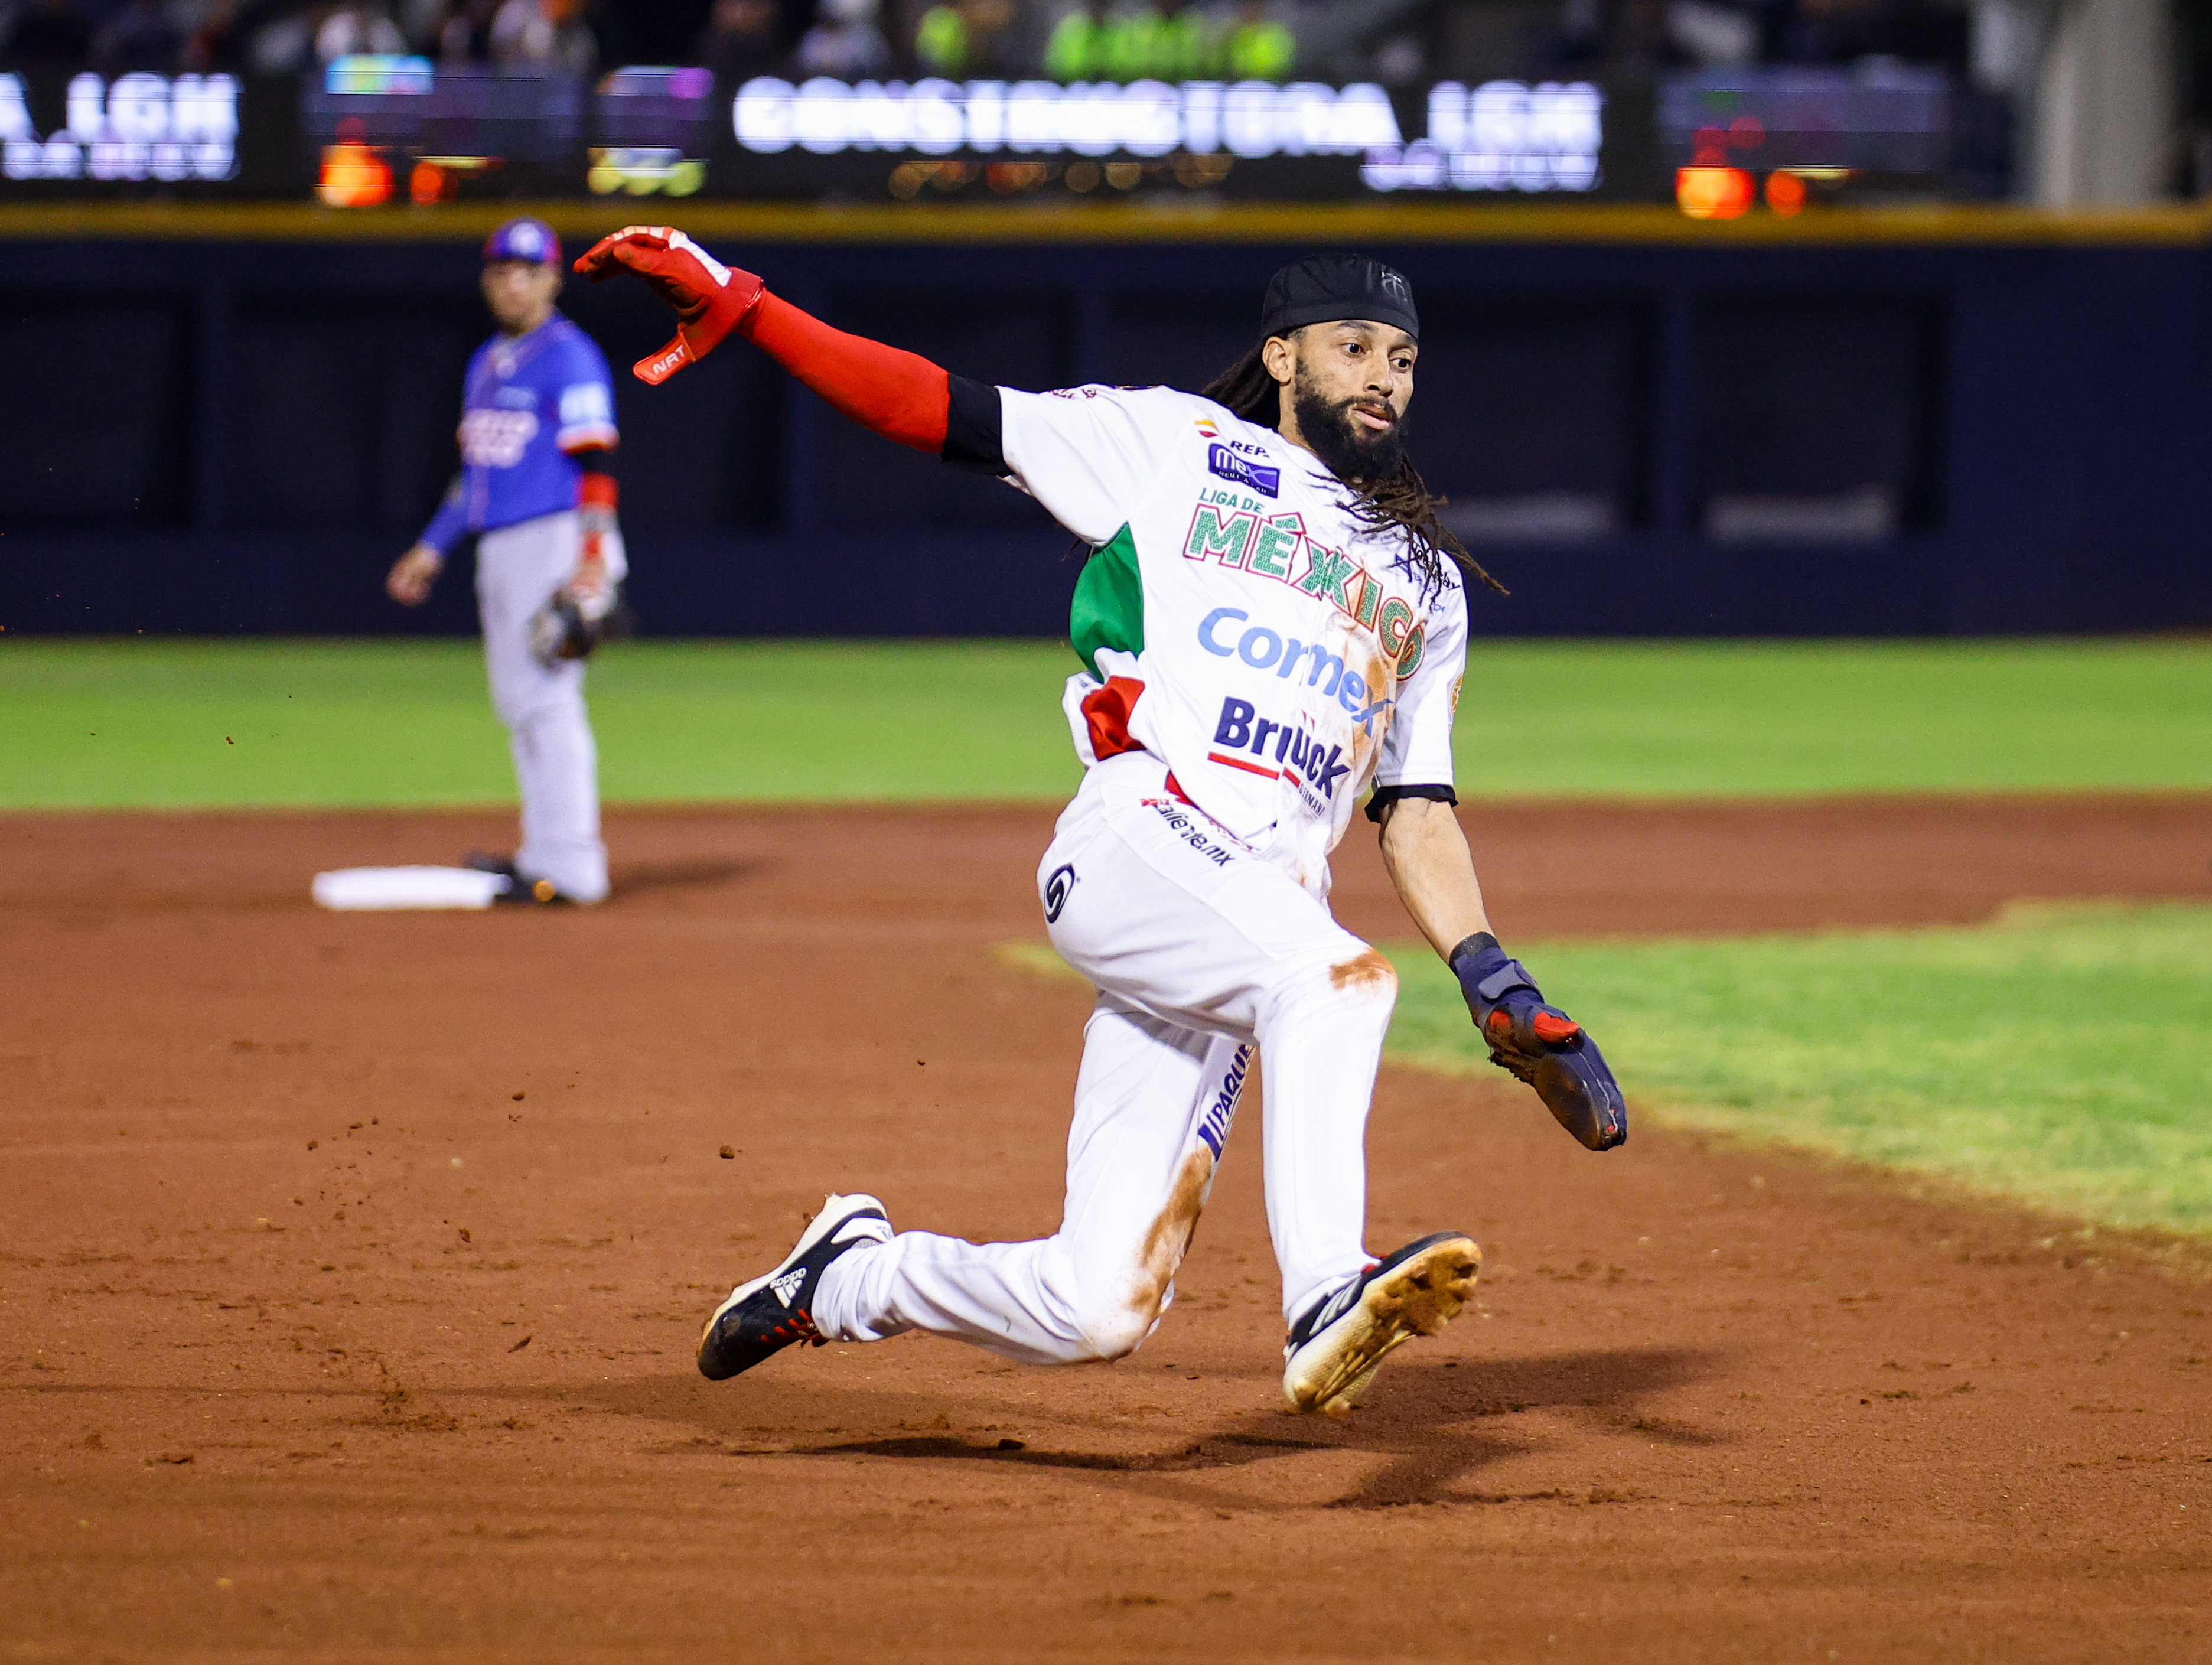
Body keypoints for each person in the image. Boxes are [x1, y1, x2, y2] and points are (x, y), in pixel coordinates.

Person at [574, 225, 1628, 1418]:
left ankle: (852, 1274)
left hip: (1243, 927)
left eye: (1402, 356)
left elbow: (1415, 809)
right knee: (1338, 983)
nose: (1383, 373)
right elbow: (937, 407)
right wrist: (749, 307)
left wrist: (1490, 972)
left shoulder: (1423, 583)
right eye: (1352, 346)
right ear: (1282, 357)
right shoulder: (1175, 447)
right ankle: (1328, 1285)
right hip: (1137, 837)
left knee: (1096, 1304)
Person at [386, 218, 625, 906]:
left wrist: (589, 557)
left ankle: (575, 863)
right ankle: (541, 857)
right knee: (521, 703)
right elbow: (475, 474)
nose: (512, 282)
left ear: (553, 278)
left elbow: (597, 462)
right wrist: (432, 546)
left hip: (555, 538)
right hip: (500, 543)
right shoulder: (488, 362)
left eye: (528, 270)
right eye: (501, 270)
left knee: (549, 702)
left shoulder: (570, 357)